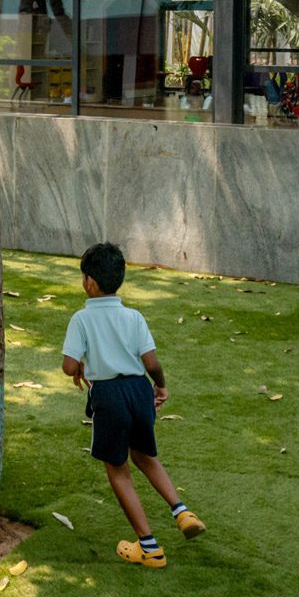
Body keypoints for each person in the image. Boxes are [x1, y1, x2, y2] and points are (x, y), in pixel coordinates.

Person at [59, 241, 204, 568]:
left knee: (119, 471)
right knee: (146, 456)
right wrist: (161, 386)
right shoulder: (134, 316)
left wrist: (80, 368)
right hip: (139, 390)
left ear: (90, 283)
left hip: (109, 396)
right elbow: (150, 361)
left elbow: (69, 366)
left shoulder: (81, 319)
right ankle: (182, 512)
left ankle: (149, 548)